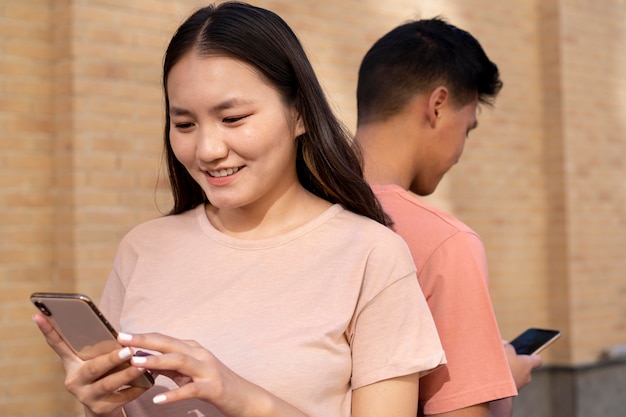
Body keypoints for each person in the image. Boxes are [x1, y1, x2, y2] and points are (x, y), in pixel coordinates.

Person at [33, 3, 446, 417]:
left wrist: (243, 398)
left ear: (299, 113)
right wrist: (99, 404)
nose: (208, 150)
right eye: (185, 125)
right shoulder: (143, 248)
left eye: (233, 118)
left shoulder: (372, 256)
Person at [354, 17, 542, 417]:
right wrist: (499, 385)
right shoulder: (445, 243)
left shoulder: (292, 206)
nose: (460, 151)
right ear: (437, 106)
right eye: (467, 128)